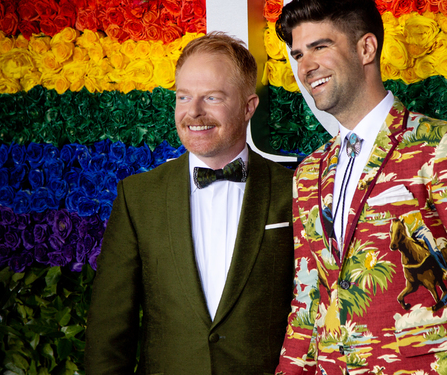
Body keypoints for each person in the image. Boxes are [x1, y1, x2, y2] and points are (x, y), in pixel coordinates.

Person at [274, 0, 447, 375]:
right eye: (297, 54)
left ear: (366, 49)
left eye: (320, 47)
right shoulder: (309, 172)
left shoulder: (443, 146)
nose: (305, 66)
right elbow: (307, 303)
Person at [85, 32, 295, 375]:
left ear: (248, 107)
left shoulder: (294, 191)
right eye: (184, 97)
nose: (193, 112)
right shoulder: (138, 196)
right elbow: (109, 332)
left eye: (212, 97)